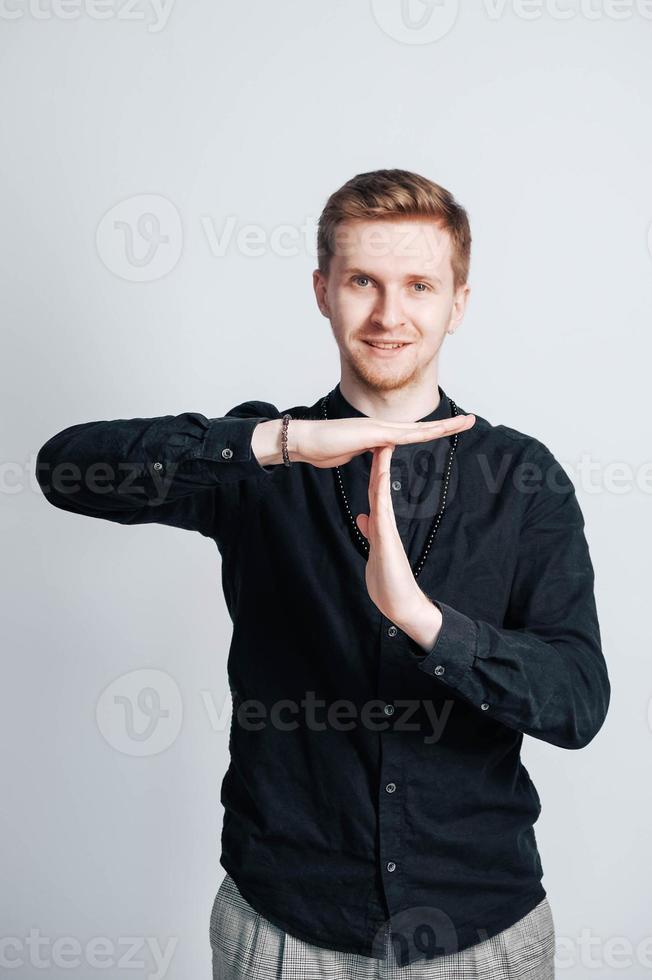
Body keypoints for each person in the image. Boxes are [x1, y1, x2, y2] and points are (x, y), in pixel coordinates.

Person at [36, 169, 610, 979]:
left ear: (458, 302)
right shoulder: (260, 460)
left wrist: (430, 625)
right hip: (283, 930)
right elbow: (65, 469)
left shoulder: (524, 475)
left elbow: (579, 699)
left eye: (419, 285)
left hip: (481, 935)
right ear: (322, 290)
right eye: (363, 282)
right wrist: (279, 443)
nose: (388, 314)